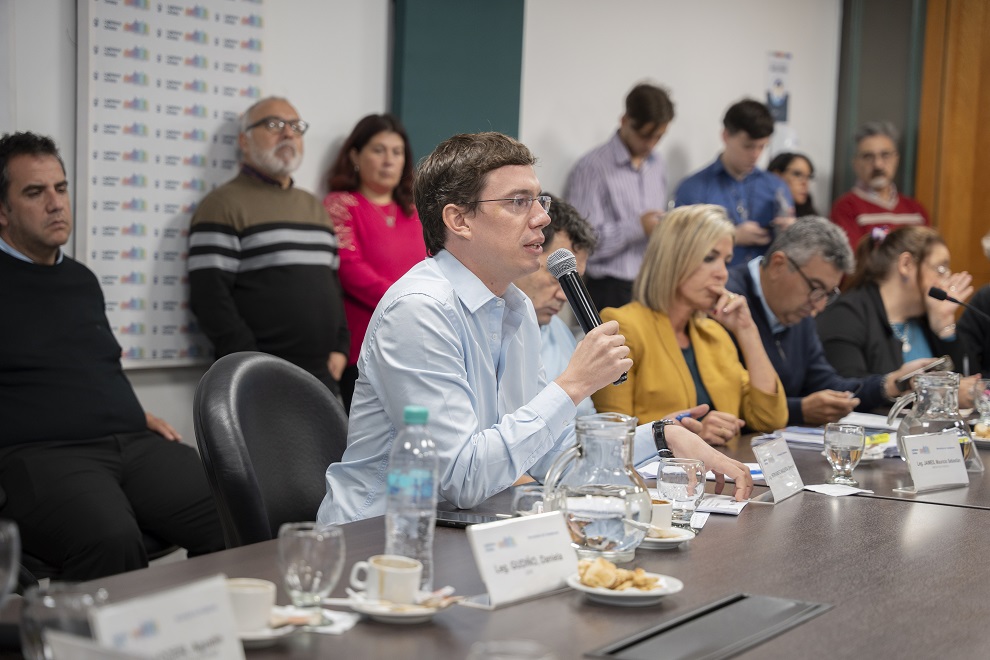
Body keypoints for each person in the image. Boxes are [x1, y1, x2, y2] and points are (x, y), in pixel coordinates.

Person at [318, 133, 752, 524]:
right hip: (377, 537)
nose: (543, 217)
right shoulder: (419, 310)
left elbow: (550, 454)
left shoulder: (516, 306)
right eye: (518, 202)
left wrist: (661, 436)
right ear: (459, 220)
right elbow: (461, 479)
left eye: (539, 200)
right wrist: (573, 384)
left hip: (462, 528)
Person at [0, 132, 224, 580]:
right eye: (35, 192)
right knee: (111, 538)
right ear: (3, 211)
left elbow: (89, 368)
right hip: (41, 454)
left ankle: (214, 621)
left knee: (238, 506)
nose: (56, 204)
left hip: (129, 442)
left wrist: (133, 412)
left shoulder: (81, 280)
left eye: (61, 188)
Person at [188, 96, 349, 395]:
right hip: (256, 378)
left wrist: (340, 346)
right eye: (274, 124)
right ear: (244, 141)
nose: (288, 133)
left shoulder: (314, 207)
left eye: (295, 126)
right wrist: (249, 360)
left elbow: (332, 285)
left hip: (322, 374)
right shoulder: (221, 205)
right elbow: (209, 297)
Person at [592, 204, 788, 445]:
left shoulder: (714, 333)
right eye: (709, 258)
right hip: (658, 470)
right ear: (673, 258)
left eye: (726, 261)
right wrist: (686, 438)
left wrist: (747, 331)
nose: (722, 274)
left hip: (722, 467)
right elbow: (612, 438)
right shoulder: (623, 326)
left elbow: (770, 419)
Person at [726, 217, 934, 425]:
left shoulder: (800, 311)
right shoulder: (728, 303)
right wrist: (800, 410)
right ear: (778, 265)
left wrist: (889, 384)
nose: (819, 306)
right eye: (816, 288)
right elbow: (727, 403)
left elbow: (826, 385)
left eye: (828, 294)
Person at [323, 113, 426, 410]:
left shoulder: (416, 211)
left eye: (397, 152)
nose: (388, 160)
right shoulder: (341, 205)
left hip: (418, 339)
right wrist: (409, 300)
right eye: (378, 150)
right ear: (355, 155)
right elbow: (350, 269)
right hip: (364, 346)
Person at [816, 226, 980, 406]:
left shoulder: (928, 317)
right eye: (940, 269)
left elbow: (970, 387)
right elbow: (847, 392)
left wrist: (945, 329)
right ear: (906, 264)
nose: (946, 280)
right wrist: (938, 396)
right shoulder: (846, 315)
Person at [565, 83, 674, 310]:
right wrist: (638, 226)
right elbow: (582, 243)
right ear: (624, 121)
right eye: (644, 136)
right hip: (610, 289)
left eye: (658, 137)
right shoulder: (592, 168)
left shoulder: (657, 164)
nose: (650, 144)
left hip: (650, 284)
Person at [674, 99, 794, 267]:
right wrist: (731, 236)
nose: (756, 155)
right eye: (748, 146)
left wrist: (792, 233)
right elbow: (679, 246)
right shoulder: (694, 188)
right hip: (715, 280)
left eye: (762, 147)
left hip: (767, 279)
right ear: (725, 136)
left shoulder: (776, 187)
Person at [513, 193, 599, 418]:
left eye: (574, 281)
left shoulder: (558, 329)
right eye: (556, 277)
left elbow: (585, 419)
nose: (564, 296)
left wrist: (656, 431)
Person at [830, 121, 930, 250]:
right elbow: (854, 259)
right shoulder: (845, 209)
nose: (878, 164)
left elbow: (929, 255)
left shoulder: (916, 210)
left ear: (896, 159)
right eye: (868, 156)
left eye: (885, 155)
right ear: (855, 163)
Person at [767, 152, 818, 217]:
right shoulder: (758, 212)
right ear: (777, 175)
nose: (805, 183)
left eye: (808, 177)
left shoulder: (813, 220)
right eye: (797, 174)